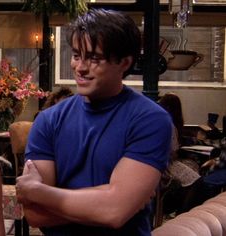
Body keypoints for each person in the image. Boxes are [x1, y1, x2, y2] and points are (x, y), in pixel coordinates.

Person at [15, 8, 172, 236]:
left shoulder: (150, 120)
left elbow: (115, 212)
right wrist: (108, 201)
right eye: (77, 55)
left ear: (125, 63)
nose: (80, 67)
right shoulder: (48, 120)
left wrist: (38, 192)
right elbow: (36, 215)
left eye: (94, 58)